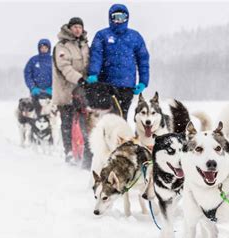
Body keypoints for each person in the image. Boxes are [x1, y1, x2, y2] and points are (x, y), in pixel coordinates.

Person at [87, 4, 150, 119]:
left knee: (122, 116)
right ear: (110, 17)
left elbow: (143, 60)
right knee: (108, 116)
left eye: (122, 17)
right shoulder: (102, 35)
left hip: (127, 85)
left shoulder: (135, 37)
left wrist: (143, 82)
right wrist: (93, 73)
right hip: (107, 85)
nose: (119, 20)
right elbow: (96, 56)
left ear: (127, 18)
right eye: (116, 17)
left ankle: (121, 136)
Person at [52, 17, 91, 168]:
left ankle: (82, 151)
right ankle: (69, 151)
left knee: (83, 123)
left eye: (79, 27)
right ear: (69, 28)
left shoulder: (84, 45)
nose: (77, 30)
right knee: (67, 122)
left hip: (82, 92)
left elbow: (88, 64)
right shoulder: (62, 46)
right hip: (66, 91)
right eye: (74, 27)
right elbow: (64, 67)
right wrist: (80, 79)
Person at [24, 39, 52, 115]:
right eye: (42, 47)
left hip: (51, 93)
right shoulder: (33, 60)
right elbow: (27, 74)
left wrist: (53, 88)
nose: (43, 49)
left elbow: (57, 76)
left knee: (50, 114)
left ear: (49, 48)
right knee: (35, 113)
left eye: (46, 48)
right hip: (36, 92)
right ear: (39, 48)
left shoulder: (53, 60)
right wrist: (32, 87)